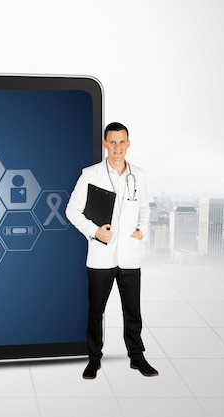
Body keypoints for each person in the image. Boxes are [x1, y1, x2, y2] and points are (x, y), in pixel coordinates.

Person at [65, 122, 158, 379]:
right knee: (96, 311)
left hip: (129, 254)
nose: (118, 147)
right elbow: (71, 210)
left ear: (128, 144)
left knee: (133, 311)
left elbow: (145, 209)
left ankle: (137, 358)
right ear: (105, 144)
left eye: (122, 142)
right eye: (112, 142)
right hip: (100, 256)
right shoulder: (91, 174)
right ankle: (94, 359)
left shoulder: (139, 174)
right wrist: (94, 231)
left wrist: (143, 230)